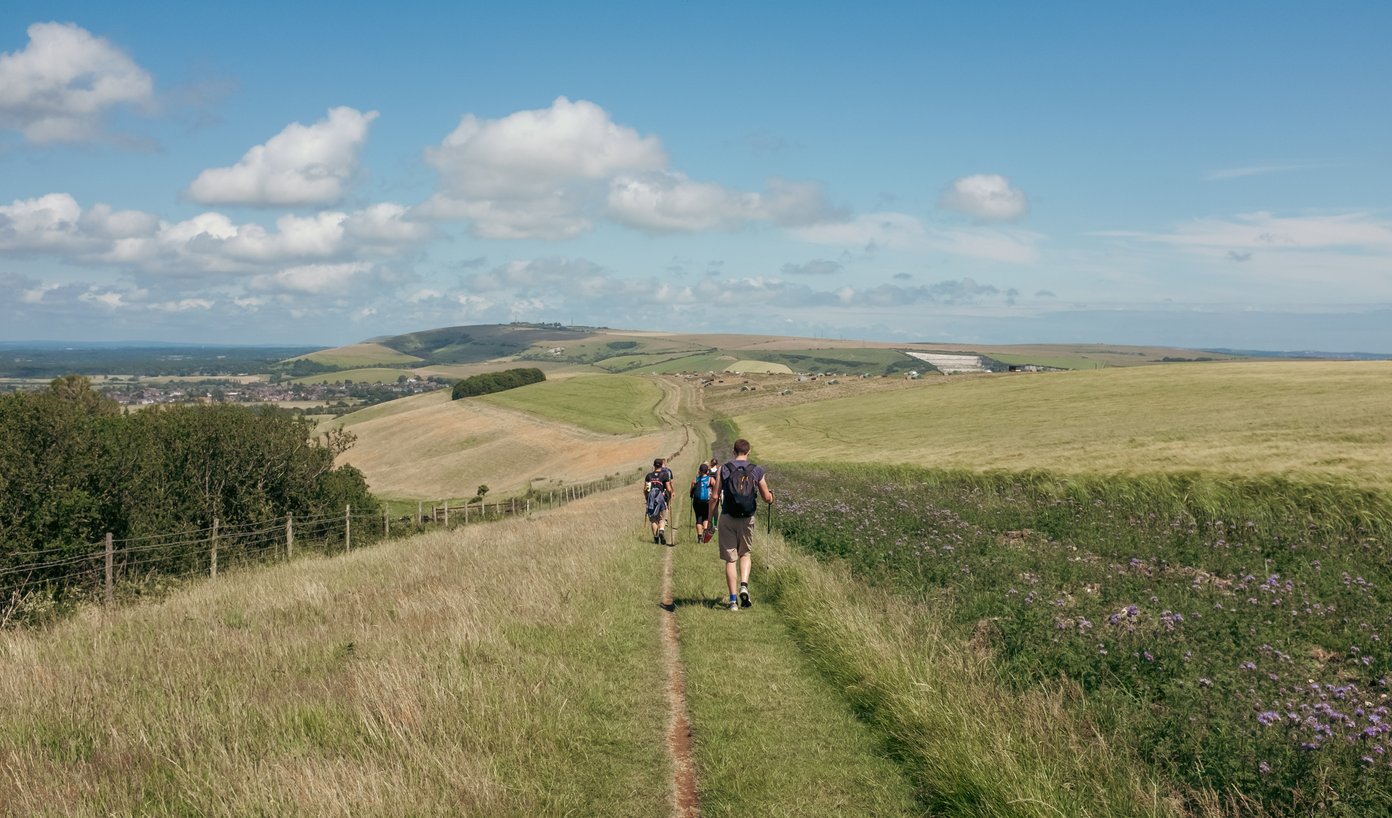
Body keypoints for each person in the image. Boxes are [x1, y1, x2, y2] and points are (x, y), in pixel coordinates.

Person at [716, 439, 773, 611]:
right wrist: (772, 497)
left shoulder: (724, 469)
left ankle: (733, 601)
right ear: (748, 452)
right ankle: (744, 585)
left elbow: (714, 496)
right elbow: (766, 497)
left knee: (730, 559)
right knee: (745, 553)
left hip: (727, 516)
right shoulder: (757, 470)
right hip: (747, 518)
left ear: (734, 451)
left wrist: (711, 519)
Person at [643, 457, 674, 545]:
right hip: (662, 499)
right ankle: (661, 530)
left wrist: (647, 498)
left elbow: (646, 489)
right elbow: (668, 488)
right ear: (662, 465)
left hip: (651, 500)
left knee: (653, 520)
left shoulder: (649, 476)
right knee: (662, 518)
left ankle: (656, 538)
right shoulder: (665, 475)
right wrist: (670, 495)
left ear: (654, 465)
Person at [689, 463, 715, 544]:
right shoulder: (710, 479)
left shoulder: (695, 479)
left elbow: (691, 492)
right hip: (707, 502)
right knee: (706, 518)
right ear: (707, 471)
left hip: (697, 502)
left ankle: (699, 537)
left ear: (699, 470)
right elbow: (715, 490)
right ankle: (705, 533)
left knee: (698, 518)